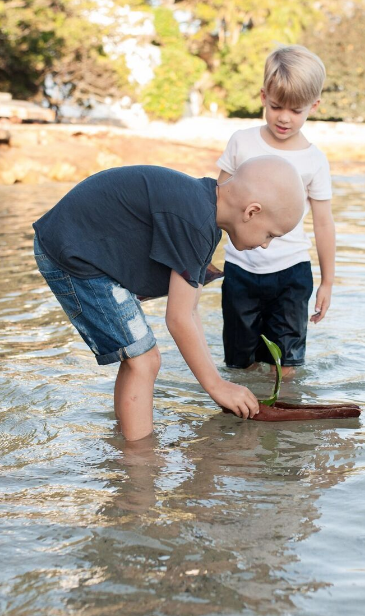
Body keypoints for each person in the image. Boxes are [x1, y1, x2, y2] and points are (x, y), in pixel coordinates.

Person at [31, 157, 306, 441]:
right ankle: (140, 460)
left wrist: (215, 379)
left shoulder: (202, 213)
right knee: (144, 359)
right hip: (73, 254)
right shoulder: (195, 221)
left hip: (79, 246)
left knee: (138, 357)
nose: (265, 244)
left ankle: (124, 435)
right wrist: (215, 385)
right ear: (251, 211)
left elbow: (191, 311)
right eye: (270, 234)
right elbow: (177, 318)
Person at [216, 44, 335, 378]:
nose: (284, 117)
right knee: (240, 364)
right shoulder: (242, 142)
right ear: (263, 96)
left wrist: (327, 281)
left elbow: (324, 223)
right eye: (276, 105)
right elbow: (216, 201)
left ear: (314, 106)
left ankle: (283, 419)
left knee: (286, 367)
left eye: (296, 110)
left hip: (291, 272)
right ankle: (241, 424)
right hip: (240, 268)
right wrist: (197, 260)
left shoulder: (314, 160)